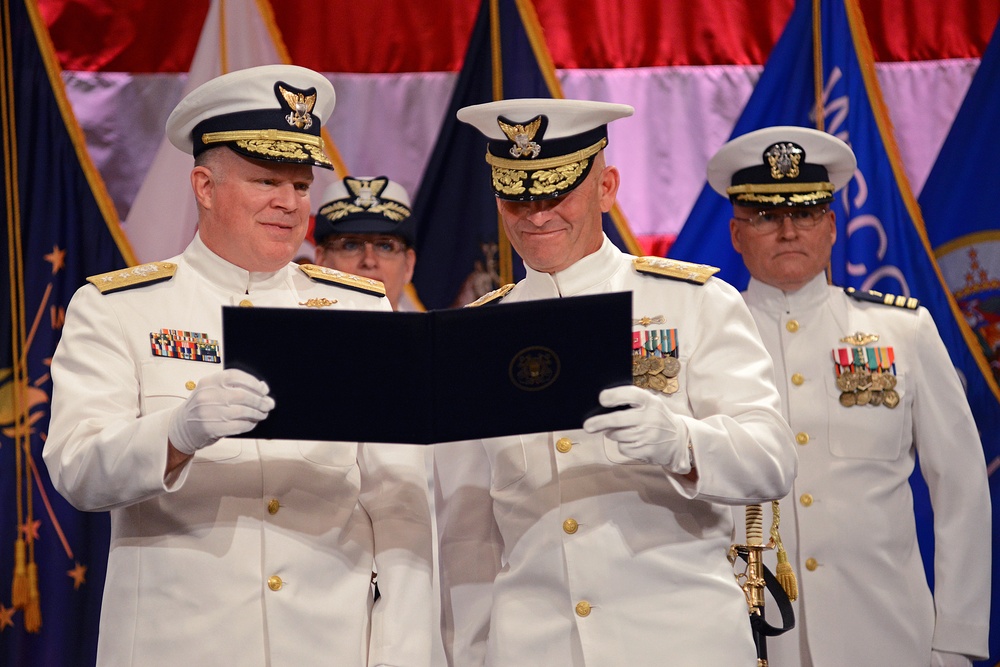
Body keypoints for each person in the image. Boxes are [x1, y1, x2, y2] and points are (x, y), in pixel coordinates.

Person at [43, 65, 433, 666]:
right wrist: (175, 436)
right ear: (204, 186)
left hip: (329, 646)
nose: (288, 203)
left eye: (301, 186)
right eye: (265, 181)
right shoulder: (120, 308)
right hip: (179, 647)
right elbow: (77, 470)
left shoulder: (360, 308)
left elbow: (398, 500)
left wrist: (402, 654)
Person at [433, 98, 798, 666]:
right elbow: (467, 535)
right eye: (516, 194)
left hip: (677, 642)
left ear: (606, 187)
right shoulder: (475, 333)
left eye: (555, 191)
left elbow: (772, 461)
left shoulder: (693, 301)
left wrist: (681, 443)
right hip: (534, 648)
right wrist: (470, 655)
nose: (534, 213)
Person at [711, 125, 991, 667]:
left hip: (885, 633)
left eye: (806, 213)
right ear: (737, 233)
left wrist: (956, 641)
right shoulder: (704, 337)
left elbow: (960, 485)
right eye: (766, 216)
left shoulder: (902, 332)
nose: (788, 230)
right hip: (744, 638)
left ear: (832, 226)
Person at [313, 175, 418, 311]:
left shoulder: (432, 333)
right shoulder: (291, 332)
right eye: (350, 245)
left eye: (385, 246)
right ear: (321, 262)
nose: (369, 261)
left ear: (408, 265)